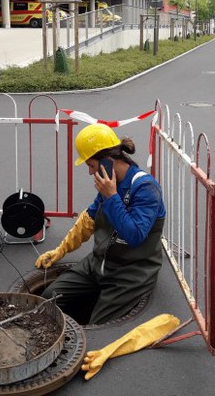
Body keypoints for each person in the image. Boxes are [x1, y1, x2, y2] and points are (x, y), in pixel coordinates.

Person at [35, 123, 165, 325]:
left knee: (98, 327)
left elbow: (135, 235)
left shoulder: (145, 187)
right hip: (99, 263)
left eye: (91, 165)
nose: (89, 172)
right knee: (50, 298)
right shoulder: (109, 184)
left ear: (107, 160)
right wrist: (61, 250)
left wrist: (112, 196)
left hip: (130, 273)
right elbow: (89, 219)